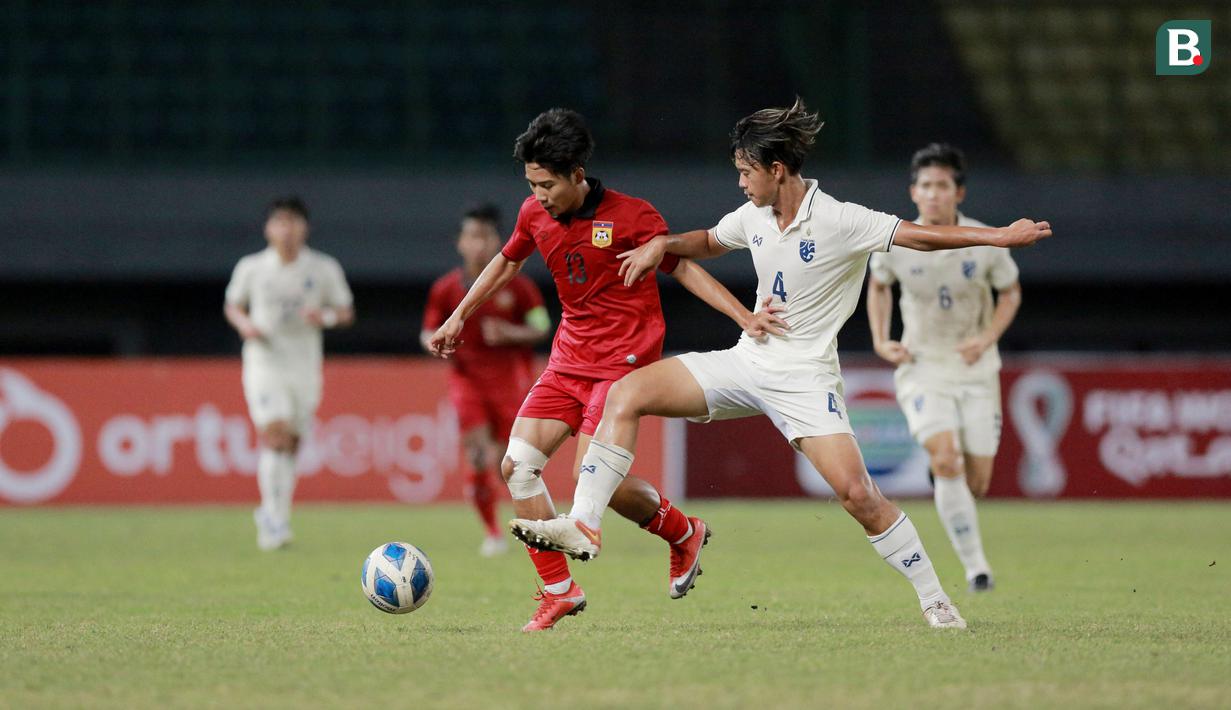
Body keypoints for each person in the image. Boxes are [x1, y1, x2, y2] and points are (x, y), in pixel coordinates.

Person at [513, 99, 1051, 629]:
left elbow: (921, 237)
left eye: (747, 172)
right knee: (625, 391)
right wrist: (663, 246)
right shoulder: (754, 215)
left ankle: (935, 600)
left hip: (805, 377)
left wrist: (999, 235)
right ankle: (584, 526)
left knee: (859, 496)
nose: (741, 183)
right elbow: (707, 242)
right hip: (747, 362)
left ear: (776, 170)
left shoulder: (842, 220)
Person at [428, 108, 777, 632]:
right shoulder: (533, 214)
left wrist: (743, 316)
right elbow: (507, 261)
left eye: (547, 184)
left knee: (594, 484)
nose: (539, 195)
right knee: (517, 466)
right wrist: (459, 315)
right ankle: (561, 590)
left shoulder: (632, 217)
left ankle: (681, 534)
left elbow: (681, 265)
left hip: (625, 360)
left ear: (576, 174)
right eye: (531, 183)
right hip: (570, 358)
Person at [866, 143, 1021, 593]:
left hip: (975, 368)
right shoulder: (895, 240)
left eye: (942, 186)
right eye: (925, 186)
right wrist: (881, 339)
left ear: (959, 193)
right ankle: (977, 570)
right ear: (913, 192)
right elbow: (879, 286)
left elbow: (1010, 293)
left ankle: (946, 473)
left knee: (978, 482)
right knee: (946, 456)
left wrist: (987, 337)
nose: (933, 194)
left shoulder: (986, 241)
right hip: (923, 365)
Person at [224, 196, 355, 550]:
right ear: (269, 228)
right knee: (276, 434)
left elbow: (345, 311)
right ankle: (272, 517)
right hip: (265, 362)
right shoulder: (252, 268)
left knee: (293, 443)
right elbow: (233, 305)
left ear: (304, 227)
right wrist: (245, 326)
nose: (287, 229)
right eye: (280, 222)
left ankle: (275, 514)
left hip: (304, 365)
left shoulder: (322, 268)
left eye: (293, 222)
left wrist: (324, 317)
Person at [421, 204, 551, 557]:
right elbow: (427, 331)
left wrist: (511, 331)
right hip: (468, 383)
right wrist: (434, 343)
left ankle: (537, 526)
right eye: (471, 236)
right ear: (460, 242)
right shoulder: (445, 289)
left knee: (510, 464)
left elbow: (541, 326)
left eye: (485, 237)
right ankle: (493, 533)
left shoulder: (520, 288)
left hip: (512, 383)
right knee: (478, 456)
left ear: (498, 241)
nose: (478, 244)